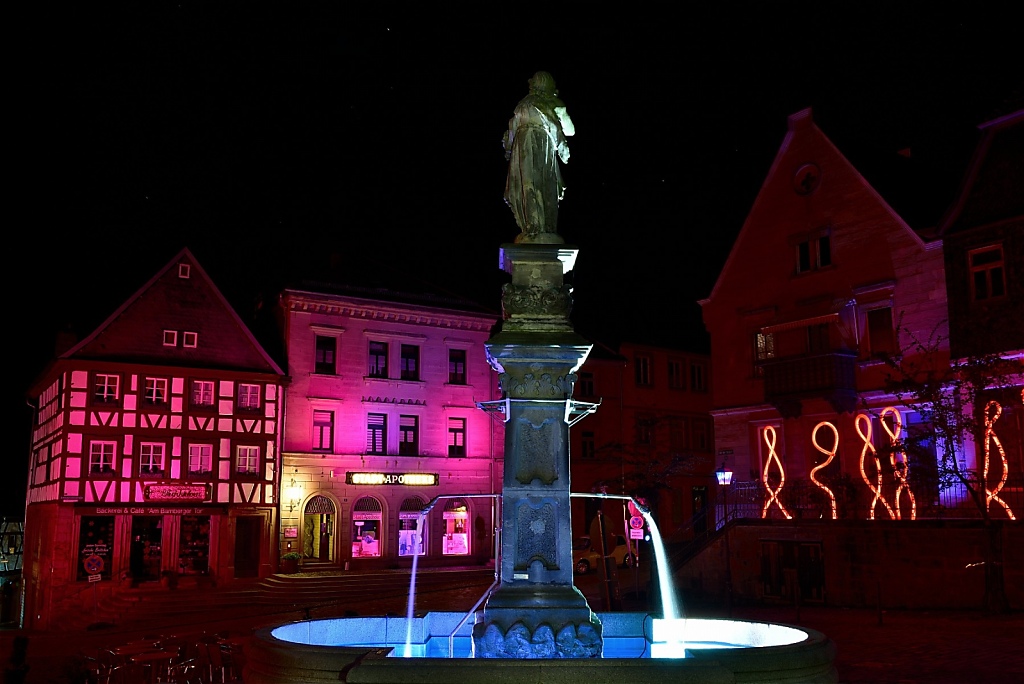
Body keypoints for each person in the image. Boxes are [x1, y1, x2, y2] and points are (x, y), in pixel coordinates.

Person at [503, 71, 575, 241]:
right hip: (532, 145)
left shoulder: (530, 104)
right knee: (534, 184)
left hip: (532, 145)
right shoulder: (536, 103)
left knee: (534, 184)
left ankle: (537, 227)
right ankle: (536, 227)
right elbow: (570, 131)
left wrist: (560, 110)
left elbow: (570, 130)